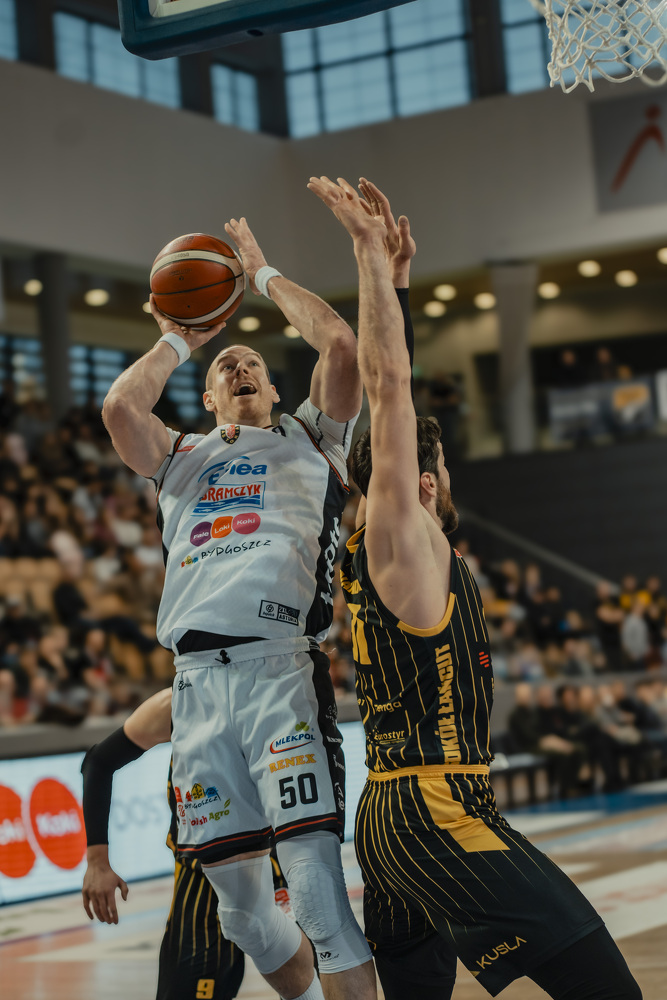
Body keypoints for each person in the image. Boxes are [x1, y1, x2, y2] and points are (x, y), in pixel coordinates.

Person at [308, 174, 642, 1000]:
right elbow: (387, 388)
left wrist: (398, 283)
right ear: (422, 483)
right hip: (435, 808)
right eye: (441, 466)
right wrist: (368, 259)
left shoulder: (376, 541)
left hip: (393, 814)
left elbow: (392, 403)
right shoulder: (406, 535)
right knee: (608, 989)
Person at [102, 217, 375, 1000]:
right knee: (243, 916)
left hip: (278, 675)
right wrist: (180, 336)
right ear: (207, 395)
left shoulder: (313, 439)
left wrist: (258, 275)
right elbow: (120, 409)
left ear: (276, 390)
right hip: (195, 688)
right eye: (227, 364)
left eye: (253, 361)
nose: (240, 365)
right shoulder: (180, 458)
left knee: (316, 894)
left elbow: (343, 348)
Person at [81, 687, 267, 1000]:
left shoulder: (276, 689)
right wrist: (97, 861)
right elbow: (98, 762)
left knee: (316, 977)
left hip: (280, 857)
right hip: (204, 873)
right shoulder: (178, 702)